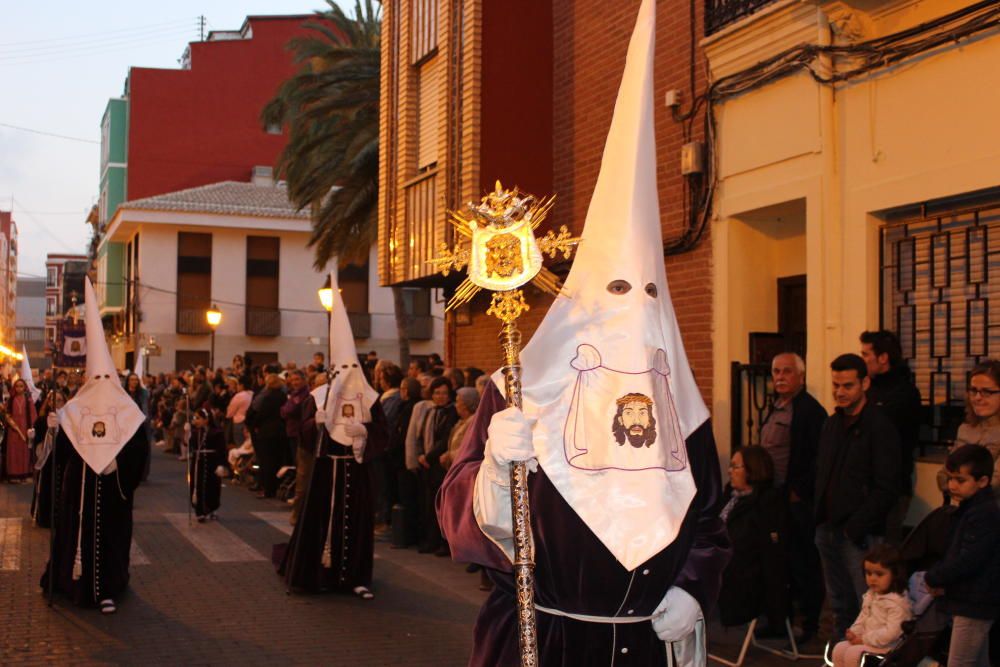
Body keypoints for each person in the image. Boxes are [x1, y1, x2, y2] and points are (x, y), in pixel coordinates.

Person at [438, 3, 730, 662]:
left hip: (646, 643)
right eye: (618, 291)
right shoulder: (520, 388)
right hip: (549, 636)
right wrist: (492, 467)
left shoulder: (678, 401)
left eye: (649, 294)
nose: (635, 308)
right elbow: (454, 514)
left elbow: (710, 515)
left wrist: (694, 586)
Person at [276, 267, 388, 599]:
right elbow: (303, 435)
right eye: (343, 369)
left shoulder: (371, 400)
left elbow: (383, 434)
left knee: (355, 525)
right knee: (322, 523)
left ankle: (355, 576)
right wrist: (317, 423)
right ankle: (318, 574)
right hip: (326, 470)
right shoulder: (317, 397)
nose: (349, 375)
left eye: (355, 369)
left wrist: (363, 436)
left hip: (356, 471)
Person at [41, 277, 148, 614]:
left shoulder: (126, 407)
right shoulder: (76, 405)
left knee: (108, 538)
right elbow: (61, 457)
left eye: (106, 378)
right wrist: (57, 429)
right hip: (80, 485)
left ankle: (106, 587)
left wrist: (119, 466)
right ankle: (69, 581)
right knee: (75, 533)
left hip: (110, 489)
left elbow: (138, 448)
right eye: (96, 378)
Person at [815, 353, 901, 640]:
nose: (840, 392)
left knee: (869, 609)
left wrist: (856, 527)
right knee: (840, 604)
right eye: (836, 385)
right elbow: (822, 474)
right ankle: (842, 656)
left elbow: (887, 487)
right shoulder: (831, 425)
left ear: (864, 383)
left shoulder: (880, 427)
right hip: (828, 529)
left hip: (859, 535)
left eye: (847, 385)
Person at [760, 352, 827, 643]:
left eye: (787, 371)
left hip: (796, 502)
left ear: (801, 376)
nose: (780, 377)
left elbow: (818, 457)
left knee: (803, 564)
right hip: (773, 498)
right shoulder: (775, 406)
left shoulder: (810, 411)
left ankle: (808, 625)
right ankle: (780, 621)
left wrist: (800, 491)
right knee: (778, 564)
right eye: (776, 371)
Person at [925, 444, 1000, 667]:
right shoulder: (969, 509)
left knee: (960, 662)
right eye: (950, 479)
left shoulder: (984, 514)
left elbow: (969, 560)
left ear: (983, 481)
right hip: (970, 599)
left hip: (975, 602)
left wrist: (935, 577)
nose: (951, 486)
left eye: (960, 480)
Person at [717, 446, 789, 637]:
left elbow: (759, 549)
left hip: (744, 572)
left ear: (752, 470)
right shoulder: (730, 497)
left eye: (735, 466)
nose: (729, 471)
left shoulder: (765, 503)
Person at [860, 330, 921, 543]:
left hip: (891, 487)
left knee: (885, 553)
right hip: (864, 484)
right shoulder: (869, 389)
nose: (863, 361)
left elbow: (877, 429)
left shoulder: (904, 393)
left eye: (866, 355)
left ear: (883, 358)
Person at [831, 544, 911, 667]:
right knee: (839, 648)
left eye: (879, 574)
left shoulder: (897, 603)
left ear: (895, 574)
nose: (872, 579)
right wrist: (854, 632)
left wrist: (864, 639)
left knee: (853, 654)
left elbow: (892, 633)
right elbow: (863, 616)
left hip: (887, 646)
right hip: (867, 639)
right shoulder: (871, 594)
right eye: (868, 573)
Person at [939, 360, 1000, 497]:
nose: (978, 398)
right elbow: (943, 476)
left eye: (987, 392)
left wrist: (957, 482)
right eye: (973, 391)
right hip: (965, 512)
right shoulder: (965, 429)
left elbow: (994, 484)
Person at [417, 377, 457, 555]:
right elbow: (421, 434)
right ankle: (430, 540)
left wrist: (428, 456)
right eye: (436, 393)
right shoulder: (430, 411)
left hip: (440, 464)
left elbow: (444, 440)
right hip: (427, 464)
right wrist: (420, 454)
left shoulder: (452, 413)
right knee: (428, 504)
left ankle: (444, 542)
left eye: (444, 393)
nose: (440, 397)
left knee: (443, 505)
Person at [282, 369, 317, 525]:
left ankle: (299, 511)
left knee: (304, 474)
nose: (295, 382)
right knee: (300, 472)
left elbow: (292, 410)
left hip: (302, 437)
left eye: (297, 379)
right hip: (295, 434)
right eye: (293, 379)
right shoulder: (294, 394)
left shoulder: (305, 396)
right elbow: (284, 410)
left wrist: (288, 409)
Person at [245, 374, 286, 498]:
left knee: (266, 461)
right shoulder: (283, 396)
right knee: (275, 460)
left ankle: (267, 489)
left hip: (266, 432)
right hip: (279, 431)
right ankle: (273, 487)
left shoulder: (268, 397)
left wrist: (253, 425)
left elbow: (261, 414)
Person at [31, 390, 67, 527]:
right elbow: (38, 441)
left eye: (59, 400)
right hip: (48, 460)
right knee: (47, 487)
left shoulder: (68, 420)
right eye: (53, 400)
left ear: (64, 402)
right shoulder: (41, 420)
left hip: (63, 460)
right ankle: (45, 517)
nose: (55, 403)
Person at [188, 408, 226, 522]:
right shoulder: (195, 432)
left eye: (198, 418)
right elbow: (188, 444)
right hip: (198, 463)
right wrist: (186, 433)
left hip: (212, 462)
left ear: (206, 419)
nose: (196, 420)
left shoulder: (217, 432)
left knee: (213, 485)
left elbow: (222, 449)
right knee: (197, 485)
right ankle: (199, 511)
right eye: (195, 418)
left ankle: (212, 508)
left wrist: (221, 464)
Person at [4, 378, 37, 482]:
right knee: (13, 450)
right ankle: (14, 474)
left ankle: (25, 473)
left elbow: (33, 414)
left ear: (25, 387)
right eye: (17, 386)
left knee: (24, 450)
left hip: (25, 427)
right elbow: (6, 413)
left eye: (21, 386)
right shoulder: (11, 399)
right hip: (13, 429)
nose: (19, 388)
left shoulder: (28, 399)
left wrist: (32, 428)